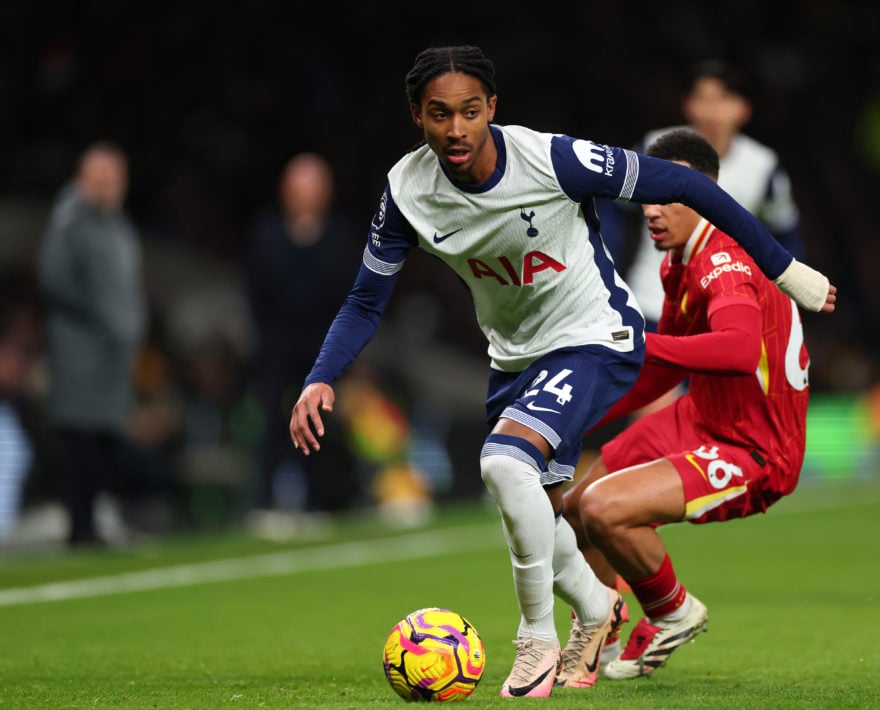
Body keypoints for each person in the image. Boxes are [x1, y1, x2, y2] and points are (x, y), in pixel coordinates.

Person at [289, 46, 835, 698]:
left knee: (522, 472)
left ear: (492, 109)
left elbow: (700, 232)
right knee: (553, 507)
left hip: (605, 349)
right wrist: (321, 374)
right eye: (440, 114)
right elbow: (364, 300)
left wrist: (784, 270)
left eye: (469, 111)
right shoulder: (407, 191)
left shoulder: (556, 163)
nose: (456, 128)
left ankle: (542, 637)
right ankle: (606, 607)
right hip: (520, 357)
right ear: (418, 116)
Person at [563, 128, 814, 680]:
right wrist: (575, 422)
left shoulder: (725, 261)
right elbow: (669, 366)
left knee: (605, 508)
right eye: (645, 195)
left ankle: (671, 609)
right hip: (701, 415)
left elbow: (740, 350)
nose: (649, 210)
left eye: (665, 196)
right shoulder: (681, 257)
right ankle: (601, 625)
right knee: (578, 506)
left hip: (756, 447)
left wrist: (636, 341)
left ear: (703, 195)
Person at [623, 59, 806, 331]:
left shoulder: (763, 167)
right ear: (688, 105)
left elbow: (785, 234)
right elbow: (612, 212)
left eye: (723, 100)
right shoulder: (652, 149)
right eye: (703, 99)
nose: (712, 112)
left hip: (722, 314)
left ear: (743, 109)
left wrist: (778, 298)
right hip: (649, 306)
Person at [38, 141, 149, 547]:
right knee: (80, 441)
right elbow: (54, 279)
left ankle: (95, 523)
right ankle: (79, 528)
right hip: (80, 354)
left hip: (112, 358)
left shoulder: (117, 225)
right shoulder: (70, 219)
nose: (108, 185)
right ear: (83, 179)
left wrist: (130, 323)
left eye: (114, 177)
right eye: (100, 177)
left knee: (104, 440)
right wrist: (104, 316)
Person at [243, 152, 363, 518]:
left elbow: (353, 298)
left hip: (323, 353)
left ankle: (317, 501)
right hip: (276, 349)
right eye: (298, 187)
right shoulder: (266, 234)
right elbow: (255, 293)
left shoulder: (341, 239)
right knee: (272, 425)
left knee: (321, 427)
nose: (305, 195)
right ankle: (264, 503)